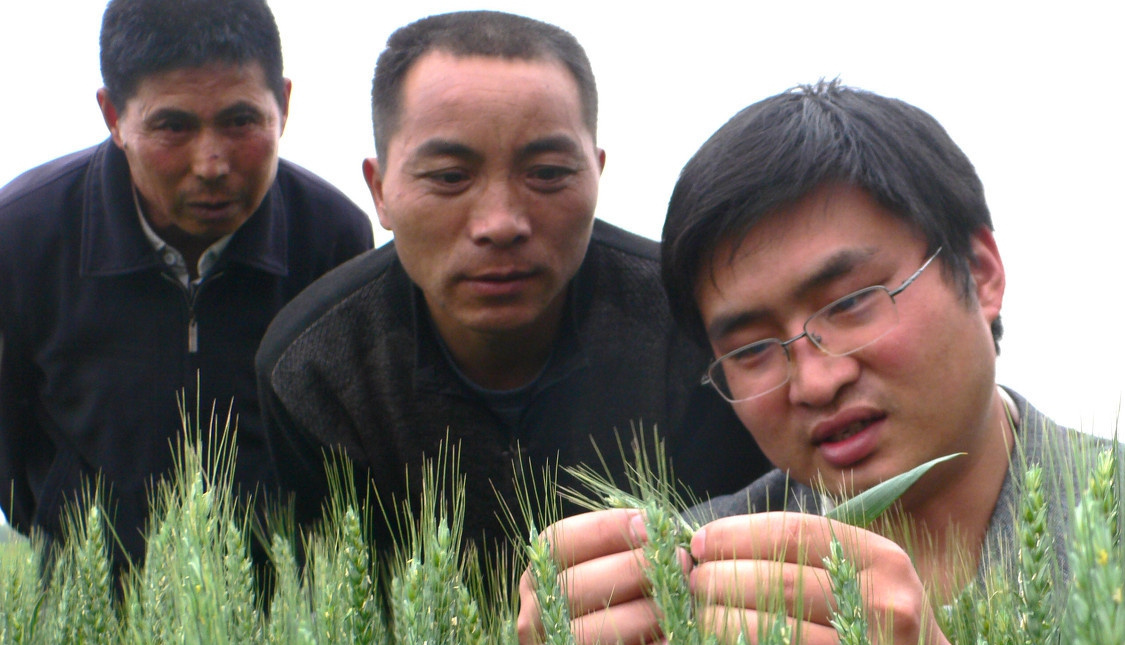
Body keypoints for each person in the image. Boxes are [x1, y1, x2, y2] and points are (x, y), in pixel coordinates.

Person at [517, 82, 1125, 645]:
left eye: (851, 303)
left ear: (981, 272)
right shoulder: (691, 574)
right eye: (750, 350)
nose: (813, 380)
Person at [255, 11, 769, 557]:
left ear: (596, 172)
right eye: (450, 177)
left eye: (547, 173)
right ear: (380, 190)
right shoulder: (315, 369)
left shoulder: (691, 329)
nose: (501, 223)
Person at [0, 0, 373, 566]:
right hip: (91, 617)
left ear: (285, 104)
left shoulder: (331, 236)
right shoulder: (25, 235)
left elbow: (343, 449)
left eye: (240, 121)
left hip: (281, 625)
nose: (211, 163)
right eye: (173, 125)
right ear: (113, 117)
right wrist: (65, 523)